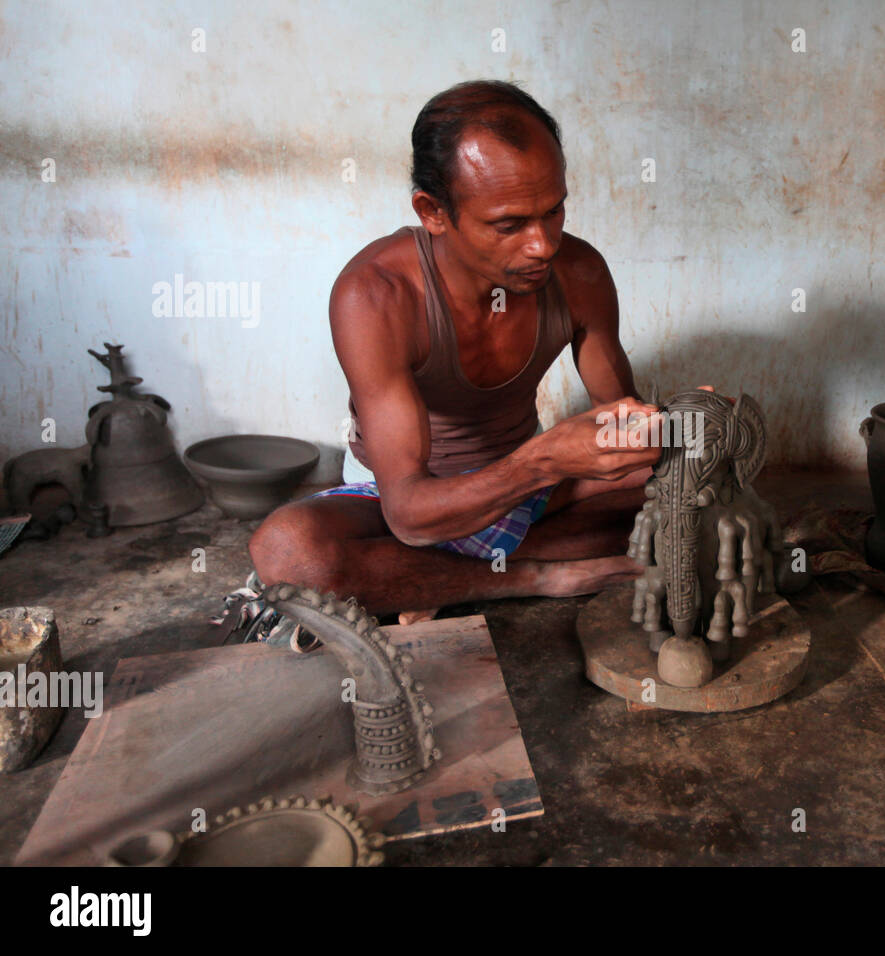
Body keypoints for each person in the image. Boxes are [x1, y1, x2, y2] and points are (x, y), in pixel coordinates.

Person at [249, 80, 669, 622]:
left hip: (531, 495)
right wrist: (544, 458)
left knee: (688, 478)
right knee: (288, 553)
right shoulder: (376, 295)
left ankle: (421, 581)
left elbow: (624, 434)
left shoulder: (580, 273)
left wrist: (674, 427)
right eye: (509, 224)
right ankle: (536, 575)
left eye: (554, 212)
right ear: (433, 212)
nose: (543, 245)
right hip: (403, 505)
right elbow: (407, 514)